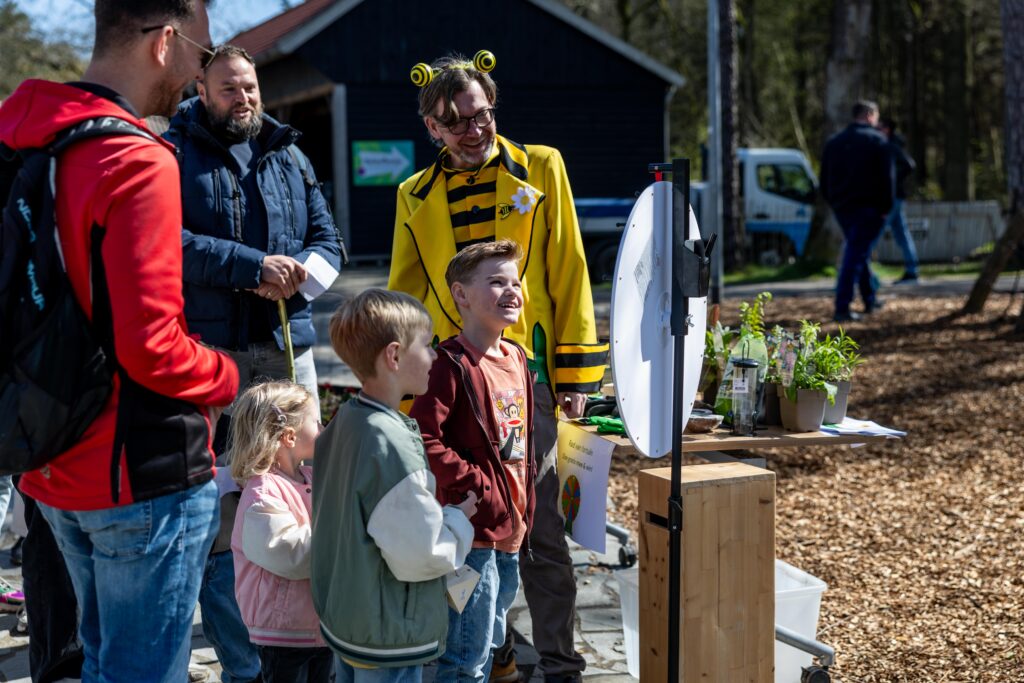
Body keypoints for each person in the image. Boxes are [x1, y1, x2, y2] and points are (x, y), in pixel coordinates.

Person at [0, 1, 240, 680]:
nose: (201, 74)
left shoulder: (21, 134)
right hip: (138, 473)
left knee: (102, 660)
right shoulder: (134, 156)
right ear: (165, 41)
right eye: (201, 52)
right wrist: (225, 378)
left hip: (47, 462)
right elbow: (152, 347)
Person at [388, 52, 606, 683]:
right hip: (449, 379)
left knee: (537, 525)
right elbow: (404, 294)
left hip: (525, 373)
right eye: (455, 122)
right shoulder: (413, 195)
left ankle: (562, 662)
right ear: (432, 127)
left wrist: (575, 379)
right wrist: (402, 387)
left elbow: (569, 271)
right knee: (471, 523)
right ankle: (497, 650)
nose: (473, 130)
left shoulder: (542, 167)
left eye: (481, 115)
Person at [164, 44, 343, 410]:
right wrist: (255, 268)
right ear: (202, 91)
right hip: (213, 352)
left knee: (300, 463)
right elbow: (167, 244)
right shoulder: (173, 154)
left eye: (250, 87)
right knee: (224, 465)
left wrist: (296, 276)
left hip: (288, 344)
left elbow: (330, 241)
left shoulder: (290, 155)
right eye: (228, 89)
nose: (242, 98)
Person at [312, 288, 477, 682]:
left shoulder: (344, 421)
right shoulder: (390, 443)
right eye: (427, 344)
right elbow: (420, 553)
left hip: (348, 615)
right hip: (387, 630)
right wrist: (456, 520)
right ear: (394, 355)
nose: (435, 356)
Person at [409, 240, 536, 682]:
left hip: (512, 530)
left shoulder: (517, 357)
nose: (511, 291)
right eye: (496, 281)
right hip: (472, 538)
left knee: (491, 634)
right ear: (461, 295)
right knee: (466, 659)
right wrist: (476, 487)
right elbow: (423, 436)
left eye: (515, 281)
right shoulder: (449, 364)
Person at [229, 381, 332, 682]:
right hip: (282, 632)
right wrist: (342, 531)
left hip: (317, 624)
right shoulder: (262, 494)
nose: (322, 426)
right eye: (316, 421)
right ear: (289, 436)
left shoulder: (312, 478)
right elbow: (293, 557)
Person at [820, 99, 896, 322]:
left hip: (843, 207)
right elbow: (887, 179)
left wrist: (834, 202)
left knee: (858, 252)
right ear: (870, 115)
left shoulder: (834, 143)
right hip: (870, 209)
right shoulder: (878, 141)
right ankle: (842, 306)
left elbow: (824, 180)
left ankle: (869, 299)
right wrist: (886, 208)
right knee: (854, 255)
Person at [878, 117, 919, 284]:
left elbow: (909, 165)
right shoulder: (890, 144)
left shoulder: (891, 145)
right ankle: (912, 271)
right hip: (895, 196)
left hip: (892, 196)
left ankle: (860, 269)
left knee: (874, 232)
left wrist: (892, 180)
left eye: (879, 127)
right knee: (902, 234)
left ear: (887, 129)